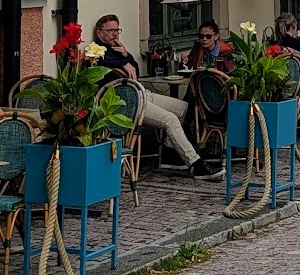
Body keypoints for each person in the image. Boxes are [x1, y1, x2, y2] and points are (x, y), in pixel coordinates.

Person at [93, 15, 219, 178]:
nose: (115, 34)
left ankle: (171, 151)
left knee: (184, 109)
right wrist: (122, 62)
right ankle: (196, 164)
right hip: (128, 102)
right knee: (170, 119)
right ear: (99, 33)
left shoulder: (116, 48)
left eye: (117, 30)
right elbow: (103, 64)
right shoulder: (95, 51)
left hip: (141, 93)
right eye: (110, 31)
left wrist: (125, 55)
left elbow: (136, 69)